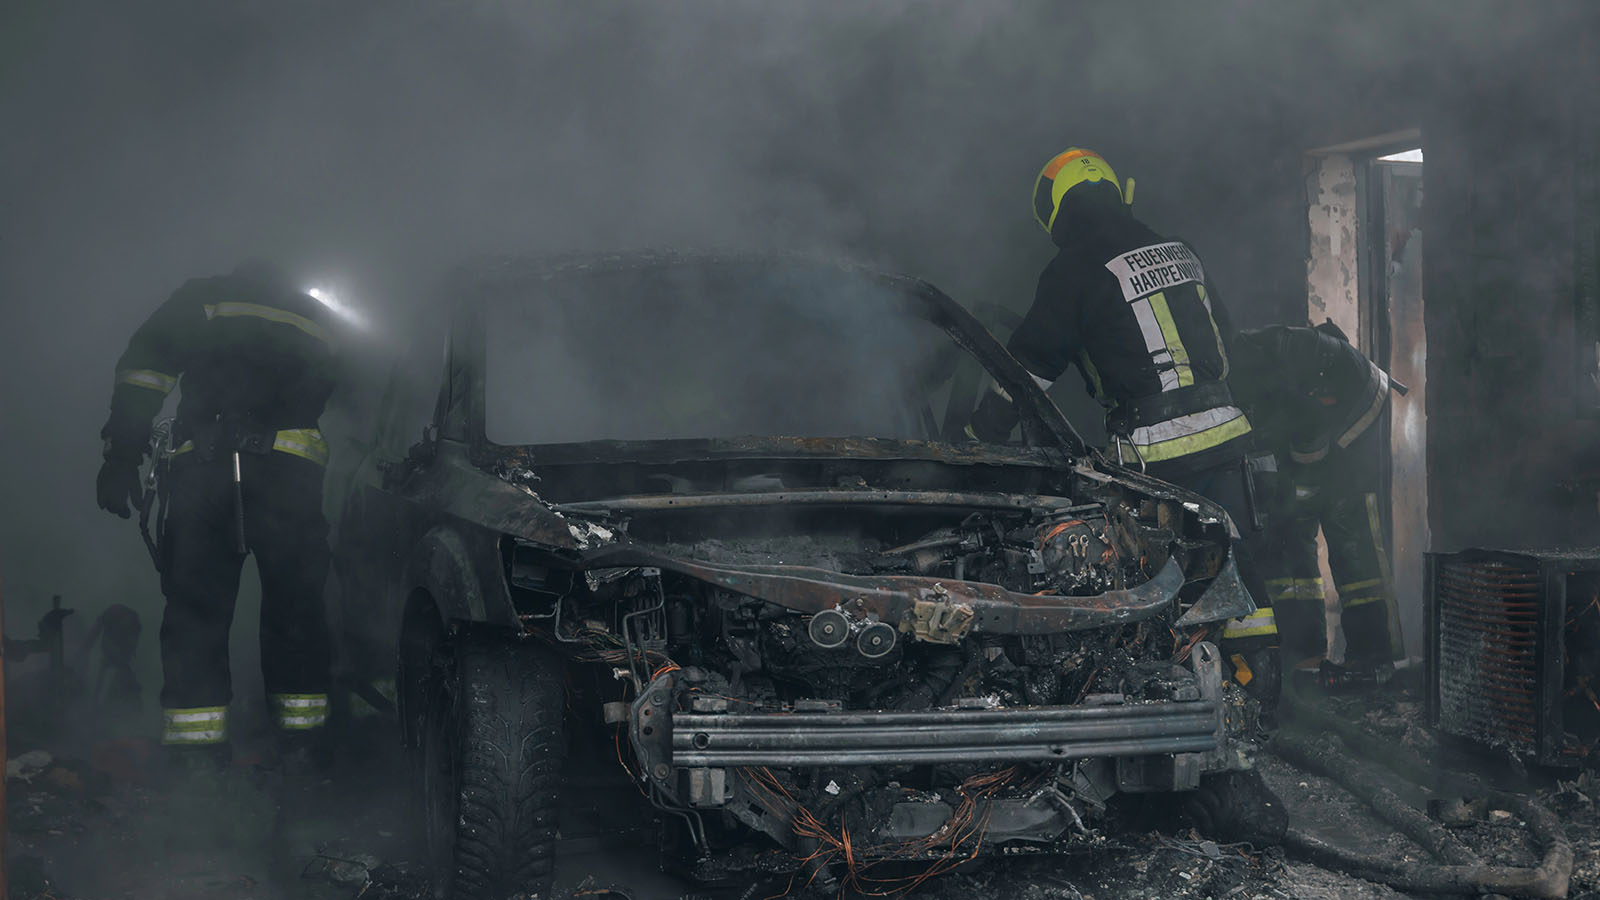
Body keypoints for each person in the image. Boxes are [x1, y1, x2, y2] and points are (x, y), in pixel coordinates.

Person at [968, 148, 1280, 696]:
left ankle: (1172, 694)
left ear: (1055, 211)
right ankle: (1262, 691)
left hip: (1155, 452)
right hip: (1229, 435)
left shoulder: (1073, 268)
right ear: (1117, 191)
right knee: (1236, 561)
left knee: (1157, 574)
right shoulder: (1182, 251)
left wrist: (977, 439)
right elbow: (1228, 343)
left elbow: (1026, 375)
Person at [96, 259, 339, 772]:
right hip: (290, 479)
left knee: (195, 614)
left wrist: (123, 454)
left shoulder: (204, 297)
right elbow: (367, 398)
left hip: (203, 471)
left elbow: (145, 370)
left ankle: (197, 759)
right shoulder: (322, 314)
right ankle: (302, 752)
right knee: (296, 613)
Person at [1229, 321, 1406, 675]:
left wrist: (1300, 484)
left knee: (1353, 538)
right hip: (1314, 429)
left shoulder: (1272, 364)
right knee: (1289, 532)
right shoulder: (1241, 373)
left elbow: (1308, 431)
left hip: (1358, 412)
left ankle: (1375, 657)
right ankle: (1303, 652)